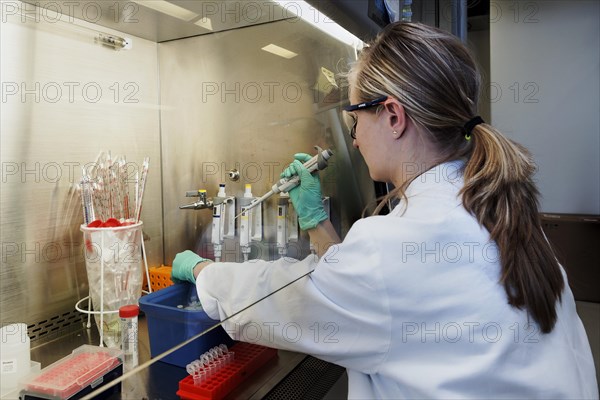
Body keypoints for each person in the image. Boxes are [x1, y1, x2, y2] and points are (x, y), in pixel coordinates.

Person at [172, 22, 598, 399]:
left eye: (355, 117)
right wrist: (316, 221)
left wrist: (203, 272)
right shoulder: (498, 208)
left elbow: (282, 301)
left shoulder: (398, 244)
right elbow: (357, 291)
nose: (354, 138)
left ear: (393, 116)